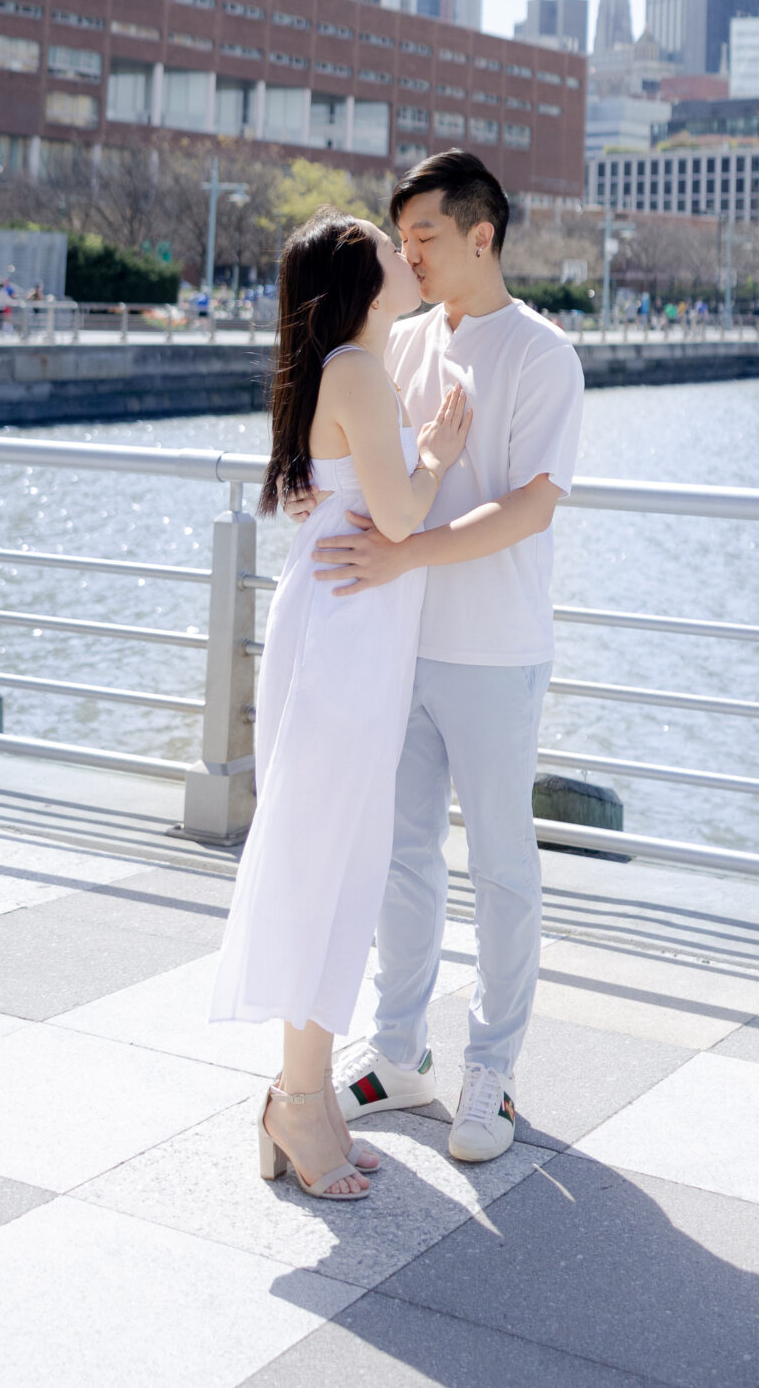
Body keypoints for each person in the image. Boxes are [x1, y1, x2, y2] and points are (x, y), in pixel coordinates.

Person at [302, 148, 584, 1166]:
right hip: (394, 643)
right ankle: (398, 1051)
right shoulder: (395, 344)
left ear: (482, 233)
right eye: (400, 235)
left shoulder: (543, 353)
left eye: (423, 233)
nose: (407, 250)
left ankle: (493, 1071)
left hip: (495, 649)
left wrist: (409, 549)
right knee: (400, 853)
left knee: (503, 863)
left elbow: (531, 505)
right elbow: (357, 463)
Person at [208, 206, 473, 1200]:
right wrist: (439, 451)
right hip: (342, 649)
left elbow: (366, 501)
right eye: (385, 246)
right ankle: (299, 1100)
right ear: (359, 285)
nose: (409, 257)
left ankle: (300, 1097)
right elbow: (402, 512)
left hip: (349, 639)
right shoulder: (359, 373)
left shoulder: (358, 370)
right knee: (326, 869)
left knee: (336, 866)